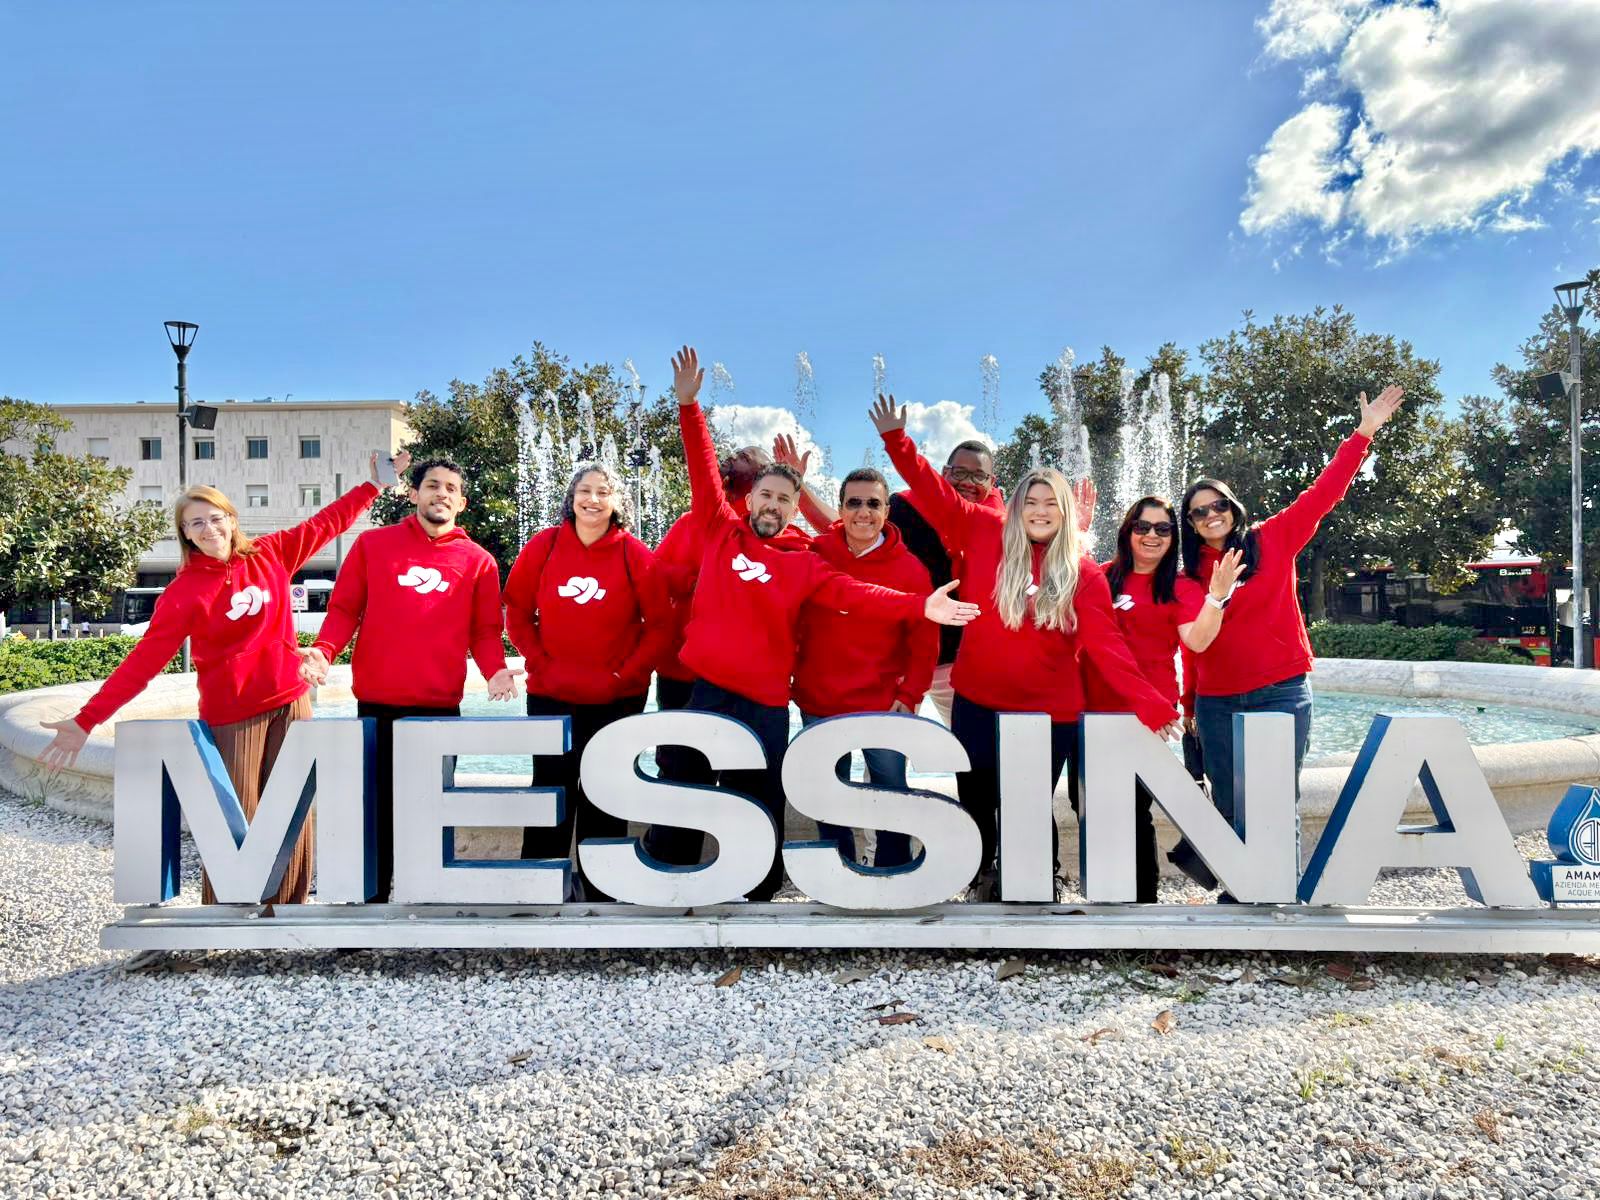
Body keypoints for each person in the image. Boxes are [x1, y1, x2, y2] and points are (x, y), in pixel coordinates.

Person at [670, 347, 977, 900]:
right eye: (765, 494)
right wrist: (689, 406)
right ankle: (680, 882)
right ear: (750, 501)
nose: (772, 504)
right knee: (690, 786)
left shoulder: (807, 561)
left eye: (784, 499)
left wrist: (918, 607)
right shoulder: (720, 528)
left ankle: (765, 890)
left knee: (765, 794)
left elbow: (857, 594)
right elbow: (704, 468)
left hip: (768, 701)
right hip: (713, 691)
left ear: (792, 507)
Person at [38, 452, 408, 904]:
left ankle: (289, 913)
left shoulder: (272, 554)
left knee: (292, 815)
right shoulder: (183, 592)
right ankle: (226, 917)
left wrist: (374, 485)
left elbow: (326, 523)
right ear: (185, 534)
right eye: (196, 524)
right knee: (239, 821)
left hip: (291, 703)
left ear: (232, 520)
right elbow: (143, 662)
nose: (208, 529)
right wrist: (86, 720)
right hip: (234, 715)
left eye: (215, 518)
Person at [871, 394, 1179, 899]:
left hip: (1048, 715)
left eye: (1051, 503)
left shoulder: (1082, 574)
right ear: (1015, 506)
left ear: (1065, 513)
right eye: (1030, 502)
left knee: (1030, 805)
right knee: (975, 795)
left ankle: (1036, 885)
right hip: (977, 700)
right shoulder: (984, 530)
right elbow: (935, 491)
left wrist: (1150, 704)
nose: (1040, 512)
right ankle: (975, 877)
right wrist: (896, 441)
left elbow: (1107, 649)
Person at [1180, 385, 1406, 891]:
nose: (1210, 515)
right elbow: (1191, 643)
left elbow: (1324, 494)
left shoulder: (1272, 539)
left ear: (1233, 507)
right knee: (1230, 798)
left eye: (1217, 504)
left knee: (1277, 798)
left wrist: (1362, 434)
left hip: (1281, 690)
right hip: (1216, 701)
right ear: (1190, 524)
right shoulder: (1187, 574)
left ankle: (1279, 892)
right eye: (1198, 511)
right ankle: (1242, 889)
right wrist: (1188, 703)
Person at [296, 456, 521, 901]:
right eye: (432, 485)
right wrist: (323, 653)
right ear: (413, 493)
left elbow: (483, 630)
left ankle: (426, 900)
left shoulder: (478, 561)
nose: (441, 493)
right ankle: (370, 903)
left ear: (462, 503)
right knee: (373, 812)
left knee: (431, 811)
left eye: (451, 488)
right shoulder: (373, 546)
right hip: (376, 705)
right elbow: (344, 610)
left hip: (438, 710)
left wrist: (494, 670)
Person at [503, 462, 673, 899]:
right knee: (549, 793)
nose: (592, 499)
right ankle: (537, 892)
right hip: (551, 695)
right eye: (585, 490)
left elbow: (660, 627)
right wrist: (540, 660)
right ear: (571, 497)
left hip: (617, 700)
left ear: (618, 503)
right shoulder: (544, 545)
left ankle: (603, 894)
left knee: (607, 797)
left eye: (603, 492)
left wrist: (625, 675)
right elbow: (517, 612)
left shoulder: (634, 553)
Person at [643, 442, 808, 866]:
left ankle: (747, 875)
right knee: (682, 774)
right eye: (736, 469)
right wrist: (700, 584)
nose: (741, 473)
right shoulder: (702, 523)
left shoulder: (785, 539)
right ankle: (673, 868)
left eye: (753, 471)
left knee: (749, 778)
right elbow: (657, 583)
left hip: (745, 680)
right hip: (684, 673)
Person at [776, 432, 1006, 724]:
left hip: (963, 661)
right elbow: (847, 524)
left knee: (973, 750)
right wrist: (800, 485)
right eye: (959, 473)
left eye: (978, 476)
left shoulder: (1001, 524)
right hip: (902, 663)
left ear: (992, 481)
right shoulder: (907, 507)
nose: (967, 483)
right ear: (944, 473)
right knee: (889, 747)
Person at [1086, 496, 1242, 899]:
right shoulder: (1102, 577)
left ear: (1174, 537)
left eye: (1163, 528)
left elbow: (1198, 639)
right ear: (1127, 531)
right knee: (1087, 807)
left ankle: (1140, 905)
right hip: (1091, 713)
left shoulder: (1180, 586)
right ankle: (1103, 897)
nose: (1151, 535)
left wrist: (1217, 598)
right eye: (1142, 527)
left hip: (1145, 719)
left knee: (1134, 813)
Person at [791, 466, 938, 869]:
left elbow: (925, 645)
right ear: (840, 508)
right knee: (825, 793)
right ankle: (838, 873)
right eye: (854, 502)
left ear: (886, 510)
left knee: (892, 793)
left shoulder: (911, 570)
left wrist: (910, 696)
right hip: (820, 701)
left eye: (873, 503)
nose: (863, 512)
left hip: (882, 706)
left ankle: (894, 874)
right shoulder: (816, 554)